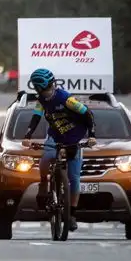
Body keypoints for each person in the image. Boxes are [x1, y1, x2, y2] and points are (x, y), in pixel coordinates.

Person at [22, 68, 96, 232]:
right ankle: (44, 184)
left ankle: (72, 215)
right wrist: (27, 135)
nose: (47, 91)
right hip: (55, 136)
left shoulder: (67, 100)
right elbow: (36, 117)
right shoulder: (41, 100)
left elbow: (88, 114)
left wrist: (92, 135)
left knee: (74, 178)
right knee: (45, 159)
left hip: (74, 138)